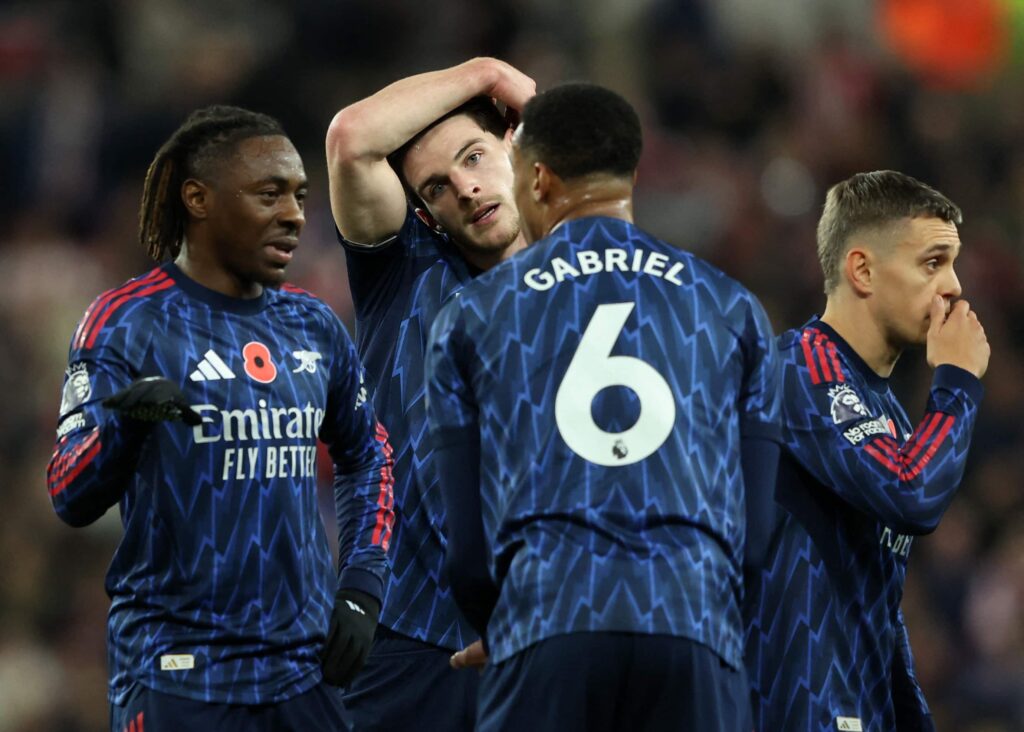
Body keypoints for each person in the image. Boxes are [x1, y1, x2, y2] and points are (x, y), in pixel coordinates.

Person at [425, 82, 782, 731]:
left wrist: (505, 628)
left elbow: (467, 553)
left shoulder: (472, 315)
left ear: (537, 179)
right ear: (632, 174)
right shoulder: (734, 310)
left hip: (547, 618)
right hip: (693, 622)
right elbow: (756, 541)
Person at [46, 105, 395, 732]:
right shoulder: (126, 322)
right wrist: (126, 424)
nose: (294, 214)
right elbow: (68, 491)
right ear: (198, 199)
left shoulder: (312, 324)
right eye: (269, 193)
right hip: (178, 671)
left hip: (303, 670)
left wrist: (363, 584)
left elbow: (368, 455)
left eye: (299, 196)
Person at [325, 58, 534, 729]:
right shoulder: (404, 271)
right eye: (438, 187)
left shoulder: (588, 283)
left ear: (516, 150)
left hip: (543, 631)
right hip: (409, 640)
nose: (467, 189)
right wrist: (487, 73)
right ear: (426, 213)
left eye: (475, 157)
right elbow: (352, 139)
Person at [744, 171, 990, 731]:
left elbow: (874, 595)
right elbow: (910, 492)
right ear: (862, 270)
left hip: (856, 710)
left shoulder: (885, 410)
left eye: (952, 264)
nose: (953, 286)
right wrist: (957, 382)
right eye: (933, 263)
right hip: (797, 711)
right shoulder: (802, 369)